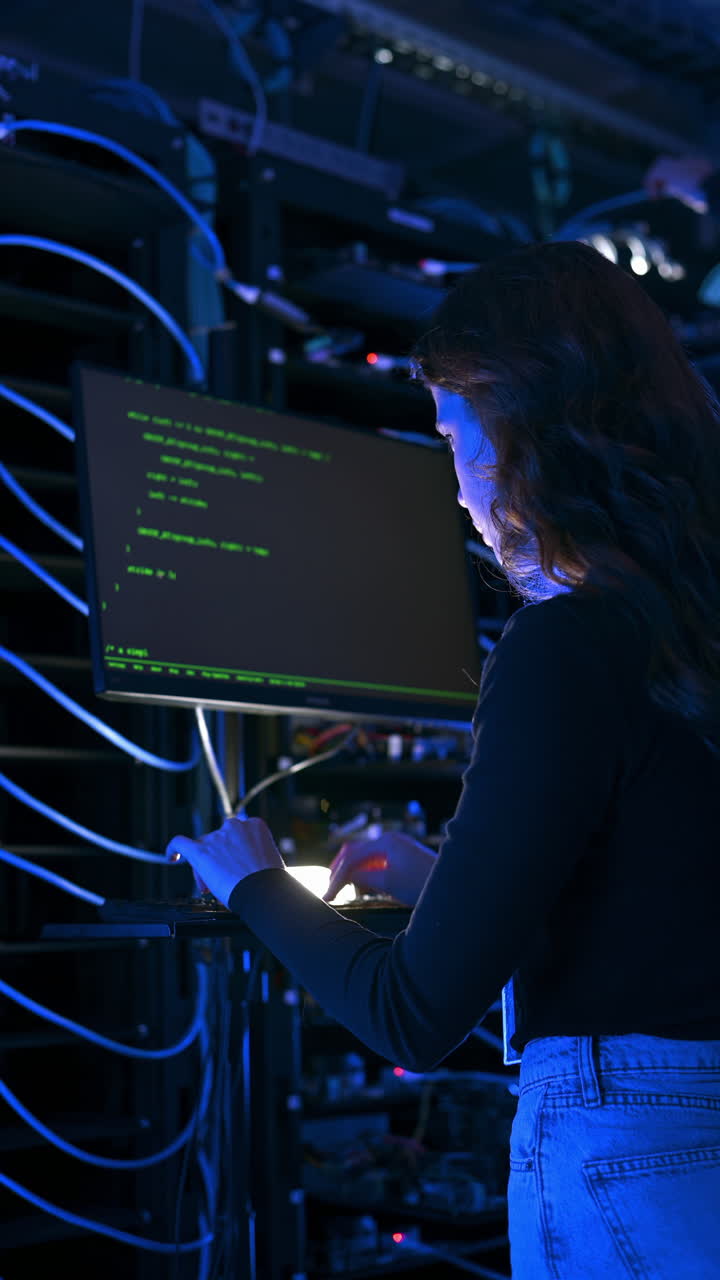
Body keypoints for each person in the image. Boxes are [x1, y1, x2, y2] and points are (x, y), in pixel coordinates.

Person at [167, 239, 720, 1278]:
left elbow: (411, 1015)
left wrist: (252, 880)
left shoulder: (566, 643)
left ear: (527, 441)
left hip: (629, 1153)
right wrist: (452, 883)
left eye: (454, 442)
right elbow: (666, 899)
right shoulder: (686, 627)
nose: (461, 493)